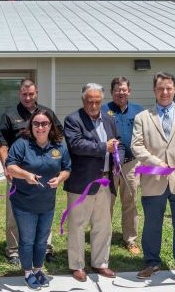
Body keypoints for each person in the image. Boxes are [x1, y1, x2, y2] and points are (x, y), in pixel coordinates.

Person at [131, 72, 175, 288]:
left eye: (169, 88)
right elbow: (137, 146)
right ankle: (152, 262)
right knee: (152, 224)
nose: (165, 92)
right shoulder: (143, 117)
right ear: (154, 90)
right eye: (160, 88)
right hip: (154, 179)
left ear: (174, 89)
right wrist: (154, 162)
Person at [0, 78, 62, 265]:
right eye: (24, 94)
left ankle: (45, 248)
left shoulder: (46, 113)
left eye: (31, 94)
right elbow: (1, 144)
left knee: (45, 210)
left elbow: (58, 136)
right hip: (18, 172)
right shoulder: (10, 115)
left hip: (44, 173)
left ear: (36, 93)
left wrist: (55, 162)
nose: (27, 97)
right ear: (19, 94)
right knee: (14, 212)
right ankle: (14, 250)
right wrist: (8, 167)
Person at [6, 110, 71, 290]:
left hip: (47, 203)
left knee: (42, 240)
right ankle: (27, 272)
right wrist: (26, 174)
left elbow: (67, 168)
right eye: (36, 123)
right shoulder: (22, 144)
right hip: (24, 202)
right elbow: (10, 166)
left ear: (50, 126)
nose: (40, 127)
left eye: (44, 124)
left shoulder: (58, 147)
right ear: (31, 126)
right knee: (27, 240)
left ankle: (38, 269)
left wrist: (59, 179)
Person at [63, 83, 119, 282]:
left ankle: (100, 262)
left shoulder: (109, 119)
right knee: (78, 225)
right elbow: (77, 145)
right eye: (90, 101)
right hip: (82, 182)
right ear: (83, 100)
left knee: (103, 225)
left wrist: (117, 148)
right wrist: (105, 147)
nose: (94, 105)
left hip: (105, 179)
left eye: (97, 101)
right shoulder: (73, 120)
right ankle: (77, 265)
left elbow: (115, 142)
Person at [102, 77, 144, 255]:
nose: (121, 93)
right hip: (109, 164)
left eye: (124, 89)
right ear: (112, 92)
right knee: (106, 203)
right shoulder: (104, 110)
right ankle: (103, 238)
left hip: (131, 164)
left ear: (129, 91)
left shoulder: (138, 111)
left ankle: (131, 239)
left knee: (130, 201)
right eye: (117, 90)